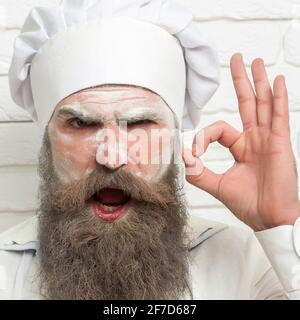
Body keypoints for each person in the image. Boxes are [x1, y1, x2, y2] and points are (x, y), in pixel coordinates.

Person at [0, 0, 299, 300]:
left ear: (174, 138)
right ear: (47, 142)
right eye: (81, 123)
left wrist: (282, 223)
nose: (112, 157)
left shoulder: (248, 266)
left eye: (139, 122)